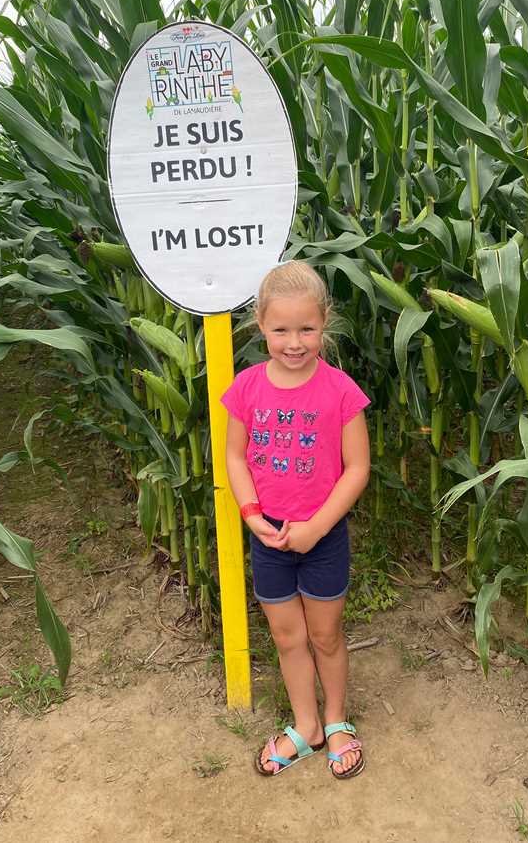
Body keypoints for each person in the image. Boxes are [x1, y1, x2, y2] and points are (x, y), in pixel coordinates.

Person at [221, 261, 371, 779]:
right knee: (287, 638)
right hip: (269, 536)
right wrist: (251, 514)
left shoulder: (341, 392)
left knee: (326, 636)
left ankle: (335, 720)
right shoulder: (245, 389)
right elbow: (236, 458)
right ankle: (305, 725)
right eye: (280, 329)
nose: (294, 341)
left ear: (324, 323)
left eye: (307, 328)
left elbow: (357, 470)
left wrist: (317, 527)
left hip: (322, 537)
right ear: (260, 325)